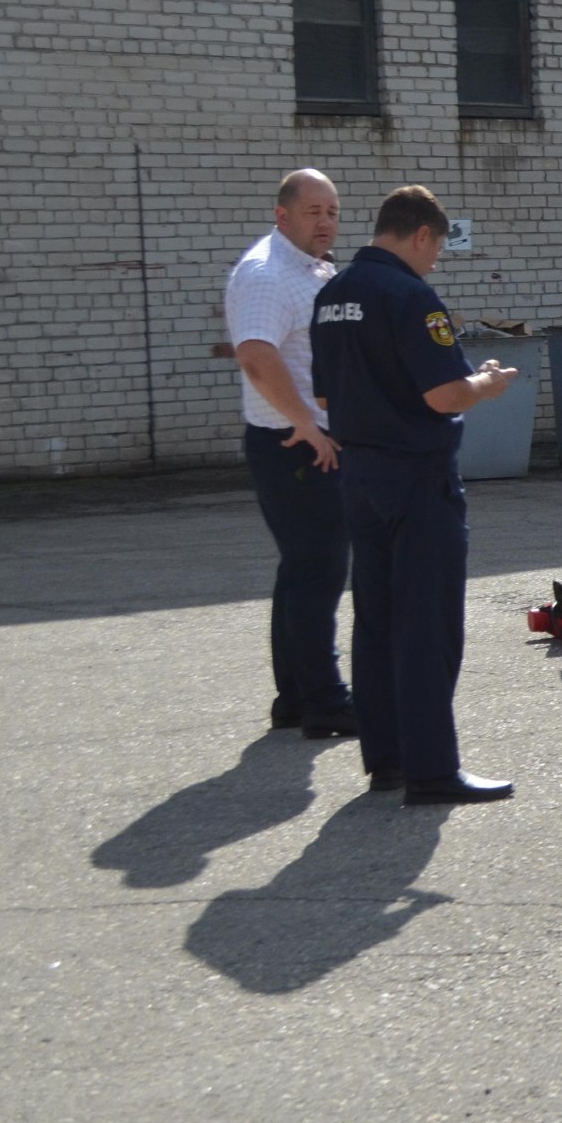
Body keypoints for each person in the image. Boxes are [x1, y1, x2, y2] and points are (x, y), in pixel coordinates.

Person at [310, 186, 518, 804]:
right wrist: (484, 383)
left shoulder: (332, 295)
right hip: (417, 477)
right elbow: (444, 394)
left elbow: (323, 395)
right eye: (437, 249)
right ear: (422, 234)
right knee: (427, 624)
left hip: (359, 472)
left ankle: (388, 760)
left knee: (376, 621)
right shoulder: (410, 296)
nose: (434, 261)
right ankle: (431, 770)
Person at [225, 167, 356, 738]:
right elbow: (256, 356)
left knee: (302, 569)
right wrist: (308, 426)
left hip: (304, 439)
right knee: (318, 571)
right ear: (282, 216)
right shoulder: (267, 273)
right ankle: (325, 701)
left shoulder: (310, 267)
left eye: (331, 212)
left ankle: (296, 698)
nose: (325, 222)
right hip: (295, 445)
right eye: (312, 212)